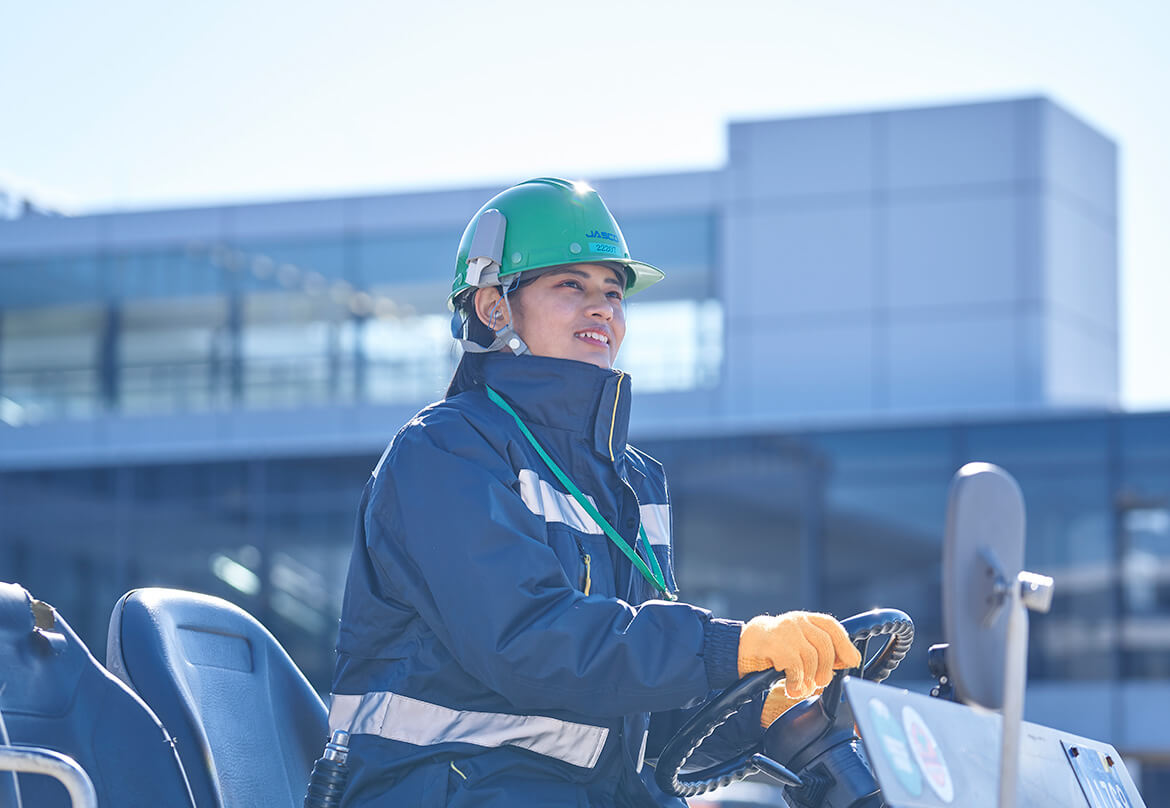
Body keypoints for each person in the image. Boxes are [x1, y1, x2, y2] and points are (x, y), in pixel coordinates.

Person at [330, 178, 861, 807]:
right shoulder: (445, 452)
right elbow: (527, 642)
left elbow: (635, 695)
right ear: (495, 307)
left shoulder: (633, 480)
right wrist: (728, 646)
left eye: (614, 291)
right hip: (456, 788)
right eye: (570, 286)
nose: (603, 308)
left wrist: (757, 706)